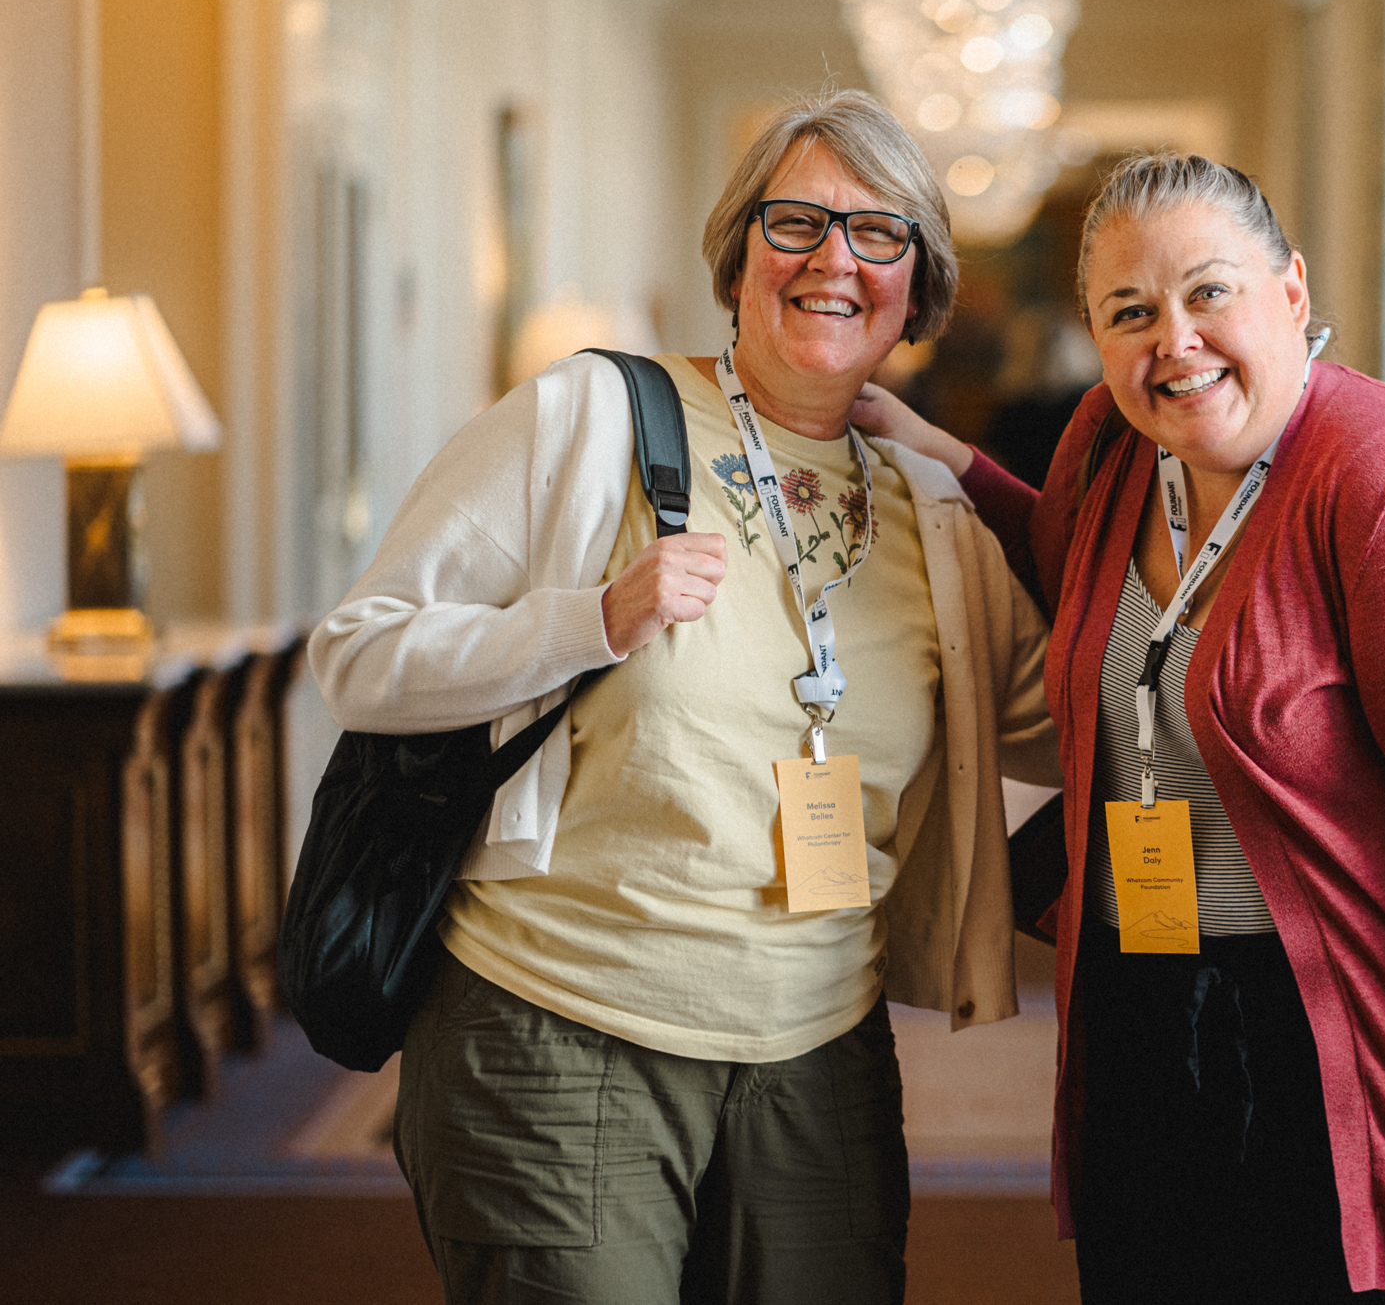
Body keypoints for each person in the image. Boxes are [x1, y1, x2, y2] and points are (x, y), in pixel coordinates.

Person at [855, 153, 1385, 1304]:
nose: (1173, 341)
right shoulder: (1115, 447)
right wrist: (919, 450)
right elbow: (1068, 563)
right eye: (1129, 312)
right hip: (1172, 1023)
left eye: (1209, 293)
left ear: (1290, 293)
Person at [308, 89, 1058, 1305]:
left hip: (819, 1054)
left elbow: (1065, 713)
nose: (832, 258)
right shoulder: (587, 417)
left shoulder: (932, 515)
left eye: (879, 234)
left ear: (917, 289)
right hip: (558, 1032)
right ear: (736, 254)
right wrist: (586, 623)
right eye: (796, 221)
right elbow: (358, 653)